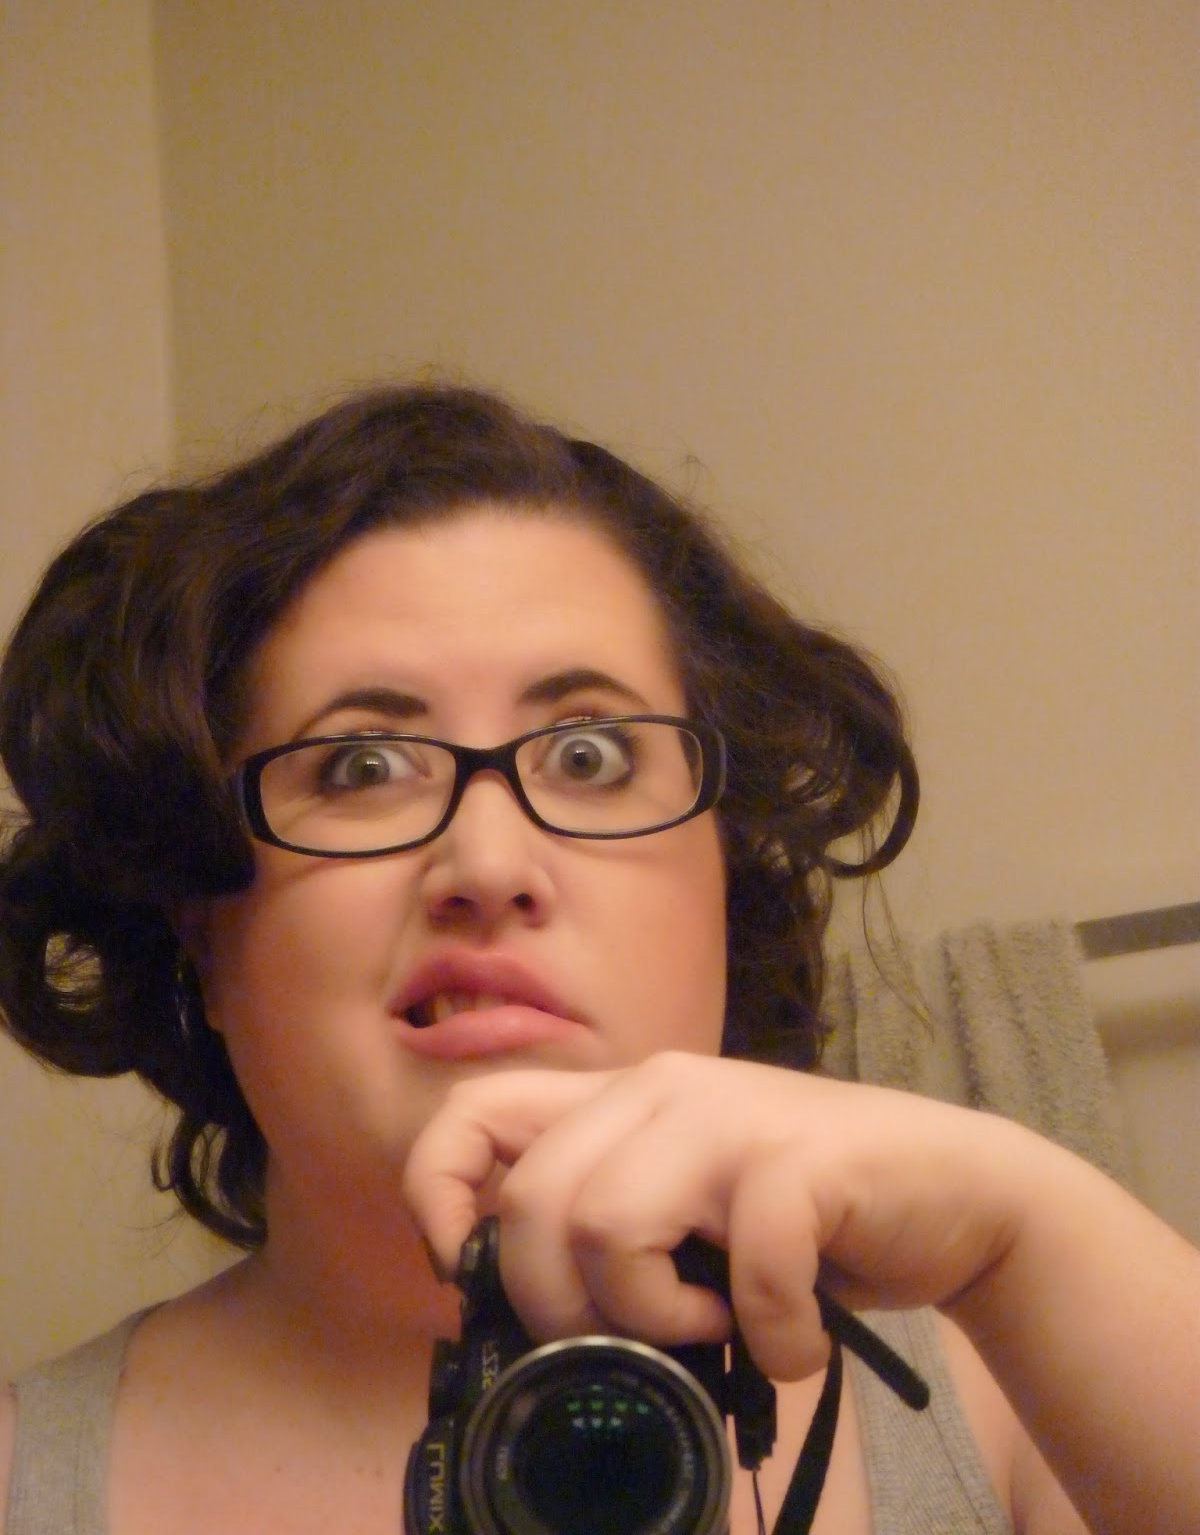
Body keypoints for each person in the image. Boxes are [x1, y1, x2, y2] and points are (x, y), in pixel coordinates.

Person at [0, 383, 1195, 1535]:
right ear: (201, 931)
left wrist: (1028, 1233)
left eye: (589, 756)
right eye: (361, 766)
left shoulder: (1028, 1415)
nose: (487, 861)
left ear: (727, 881)